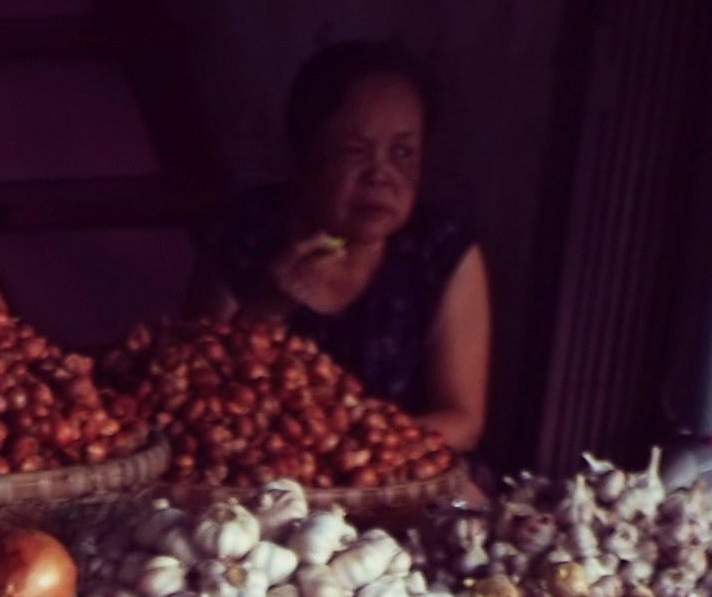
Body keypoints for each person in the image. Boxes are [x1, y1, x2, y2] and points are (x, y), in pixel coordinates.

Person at [194, 41, 491, 453]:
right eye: (355, 151)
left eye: (403, 153)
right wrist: (269, 305)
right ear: (304, 157)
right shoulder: (245, 230)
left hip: (396, 477)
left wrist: (348, 453)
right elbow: (199, 401)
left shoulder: (439, 249)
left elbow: (462, 419)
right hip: (268, 483)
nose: (380, 176)